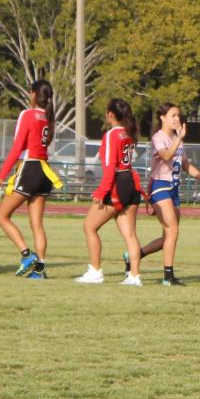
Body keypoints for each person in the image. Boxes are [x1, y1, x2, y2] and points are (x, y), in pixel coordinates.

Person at [133, 102, 200, 286]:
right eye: (173, 115)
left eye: (178, 115)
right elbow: (165, 156)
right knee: (172, 230)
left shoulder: (177, 138)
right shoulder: (159, 137)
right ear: (162, 117)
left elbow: (186, 165)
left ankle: (135, 255)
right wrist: (179, 139)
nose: (177, 119)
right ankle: (168, 277)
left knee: (169, 236)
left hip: (173, 188)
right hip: (160, 186)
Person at [0, 79, 61, 278]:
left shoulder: (28, 114)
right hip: (44, 170)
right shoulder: (48, 117)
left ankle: (26, 254)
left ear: (33, 94)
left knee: (2, 216)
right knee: (37, 225)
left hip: (30, 167)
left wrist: (2, 173)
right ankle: (40, 270)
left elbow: (18, 147)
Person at [75, 99, 144, 286]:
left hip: (117, 184)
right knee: (130, 234)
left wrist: (101, 191)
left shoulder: (112, 135)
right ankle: (134, 276)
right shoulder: (129, 133)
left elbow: (110, 167)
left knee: (89, 227)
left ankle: (95, 271)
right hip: (130, 182)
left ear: (111, 114)